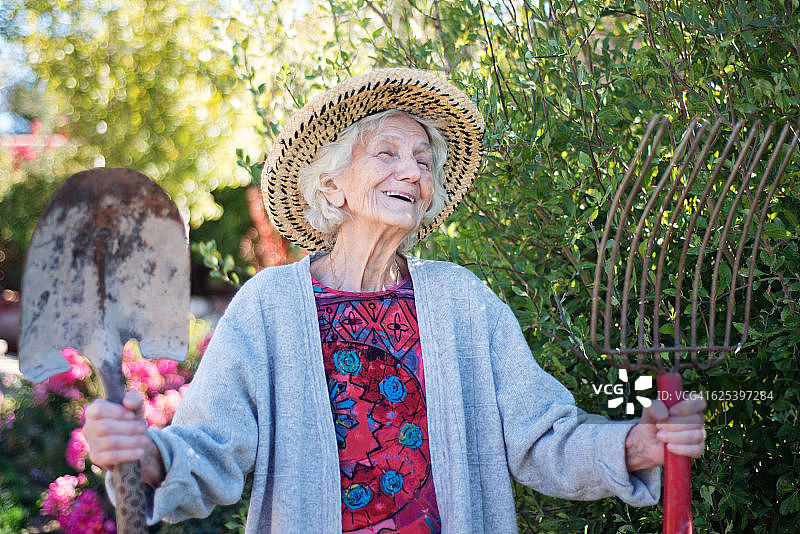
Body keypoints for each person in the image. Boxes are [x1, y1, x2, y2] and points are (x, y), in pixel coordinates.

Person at [83, 68, 706, 534]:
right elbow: (210, 446)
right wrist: (146, 457)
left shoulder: (463, 303)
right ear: (332, 184)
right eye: (387, 153)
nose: (413, 172)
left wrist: (632, 447)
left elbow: (541, 438)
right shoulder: (267, 309)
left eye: (424, 161)